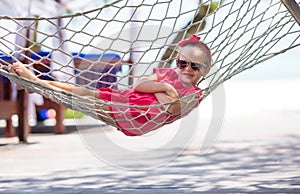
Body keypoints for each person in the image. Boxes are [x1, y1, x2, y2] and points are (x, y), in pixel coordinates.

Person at [8, 35, 212, 136]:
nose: (186, 69)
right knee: (78, 91)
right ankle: (36, 83)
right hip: (125, 99)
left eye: (194, 66)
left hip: (134, 116)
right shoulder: (168, 76)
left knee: (80, 100)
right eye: (182, 63)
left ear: (205, 70)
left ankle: (35, 84)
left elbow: (171, 107)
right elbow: (141, 84)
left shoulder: (194, 94)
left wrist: (160, 88)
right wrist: (166, 89)